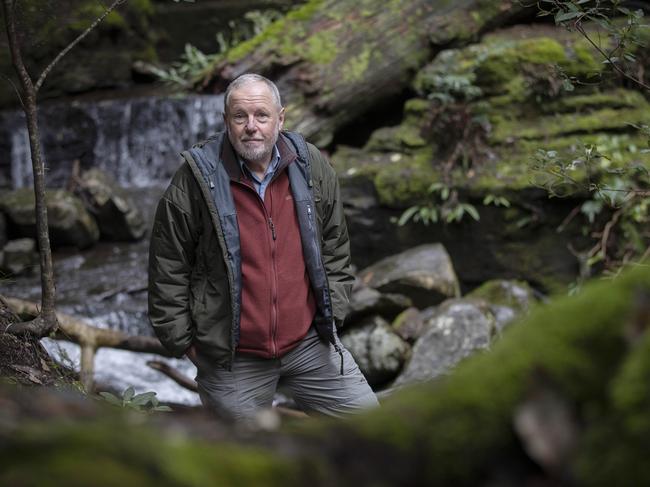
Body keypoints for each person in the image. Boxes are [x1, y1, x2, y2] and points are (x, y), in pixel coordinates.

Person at [148, 73, 378, 421]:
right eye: (240, 117)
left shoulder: (309, 165)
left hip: (309, 345)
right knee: (240, 466)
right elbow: (168, 264)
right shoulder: (197, 179)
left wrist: (333, 313)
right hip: (234, 358)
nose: (251, 126)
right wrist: (186, 344)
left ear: (280, 118)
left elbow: (335, 245)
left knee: (376, 431)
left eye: (261, 116)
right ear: (227, 121)